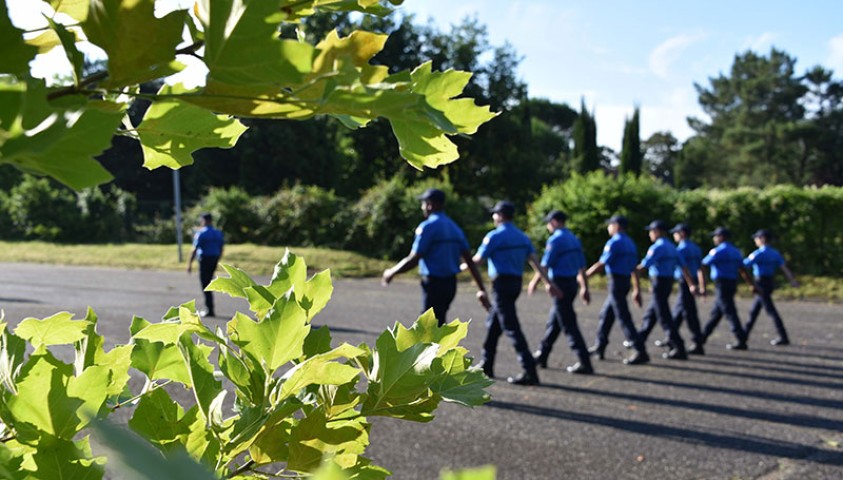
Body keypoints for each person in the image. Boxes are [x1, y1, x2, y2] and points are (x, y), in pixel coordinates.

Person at [468, 201, 560, 386]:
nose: (493, 217)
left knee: (511, 327)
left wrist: (457, 267)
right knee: (494, 324)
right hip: (516, 284)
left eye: (495, 214)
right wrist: (548, 283)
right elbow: (535, 262)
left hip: (501, 284)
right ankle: (487, 364)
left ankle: (529, 369)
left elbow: (476, 261)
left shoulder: (494, 236)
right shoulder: (522, 237)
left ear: (500, 216)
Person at [383, 188, 489, 326]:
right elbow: (469, 260)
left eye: (423, 204)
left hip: (434, 284)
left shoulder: (427, 227)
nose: (422, 208)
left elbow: (414, 258)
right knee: (439, 322)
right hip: (450, 284)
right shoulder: (455, 227)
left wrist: (392, 271)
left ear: (429, 205)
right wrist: (481, 288)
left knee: (428, 328)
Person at [527, 210, 593, 374]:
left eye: (549, 222)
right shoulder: (574, 239)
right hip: (571, 283)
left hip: (560, 284)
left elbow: (545, 264)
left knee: (568, 323)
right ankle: (543, 354)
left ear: (555, 222)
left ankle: (584, 361)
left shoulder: (555, 240)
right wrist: (584, 287)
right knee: (555, 322)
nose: (548, 225)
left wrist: (537, 282)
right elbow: (582, 266)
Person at [586, 215, 649, 365]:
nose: (609, 228)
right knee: (606, 315)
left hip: (615, 281)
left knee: (623, 317)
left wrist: (584, 276)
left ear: (617, 226)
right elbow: (634, 269)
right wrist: (637, 289)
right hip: (625, 281)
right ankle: (600, 346)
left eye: (610, 225)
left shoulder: (614, 242)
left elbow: (602, 263)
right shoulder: (630, 243)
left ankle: (639, 350)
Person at [634, 220, 689, 360]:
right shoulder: (672, 247)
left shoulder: (656, 247)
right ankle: (639, 340)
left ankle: (679, 347)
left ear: (657, 231)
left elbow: (645, 265)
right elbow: (683, 266)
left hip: (658, 282)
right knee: (651, 314)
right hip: (668, 281)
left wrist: (632, 271)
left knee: (664, 316)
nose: (650, 234)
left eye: (651, 231)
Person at [700, 227, 755, 350]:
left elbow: (703, 265)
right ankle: (702, 338)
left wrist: (703, 286)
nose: (714, 239)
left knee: (729, 312)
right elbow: (742, 270)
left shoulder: (717, 251)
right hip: (732, 283)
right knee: (717, 313)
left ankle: (741, 338)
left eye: (716, 236)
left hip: (721, 284)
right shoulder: (736, 251)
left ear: (721, 237)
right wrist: (751, 284)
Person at [743, 229, 799, 346]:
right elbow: (784, 268)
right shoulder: (775, 253)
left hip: (760, 282)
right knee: (754, 312)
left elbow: (744, 265)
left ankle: (783, 336)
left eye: (757, 238)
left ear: (762, 239)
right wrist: (792, 280)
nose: (755, 241)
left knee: (770, 310)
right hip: (769, 282)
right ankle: (743, 336)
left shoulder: (758, 253)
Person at [670, 223, 706, 354]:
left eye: (676, 233)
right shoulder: (696, 248)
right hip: (693, 281)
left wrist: (691, 284)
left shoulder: (680, 249)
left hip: (686, 282)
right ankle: (671, 337)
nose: (674, 235)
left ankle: (697, 342)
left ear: (682, 233)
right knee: (678, 312)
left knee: (689, 313)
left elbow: (683, 268)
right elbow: (701, 268)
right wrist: (702, 285)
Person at [187, 213, 224, 317]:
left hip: (204, 259)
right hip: (214, 259)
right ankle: (210, 307)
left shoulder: (201, 233)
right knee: (209, 282)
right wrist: (217, 260)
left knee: (205, 284)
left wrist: (189, 263)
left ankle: (210, 308)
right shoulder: (218, 233)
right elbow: (221, 248)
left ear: (204, 221)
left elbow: (194, 249)